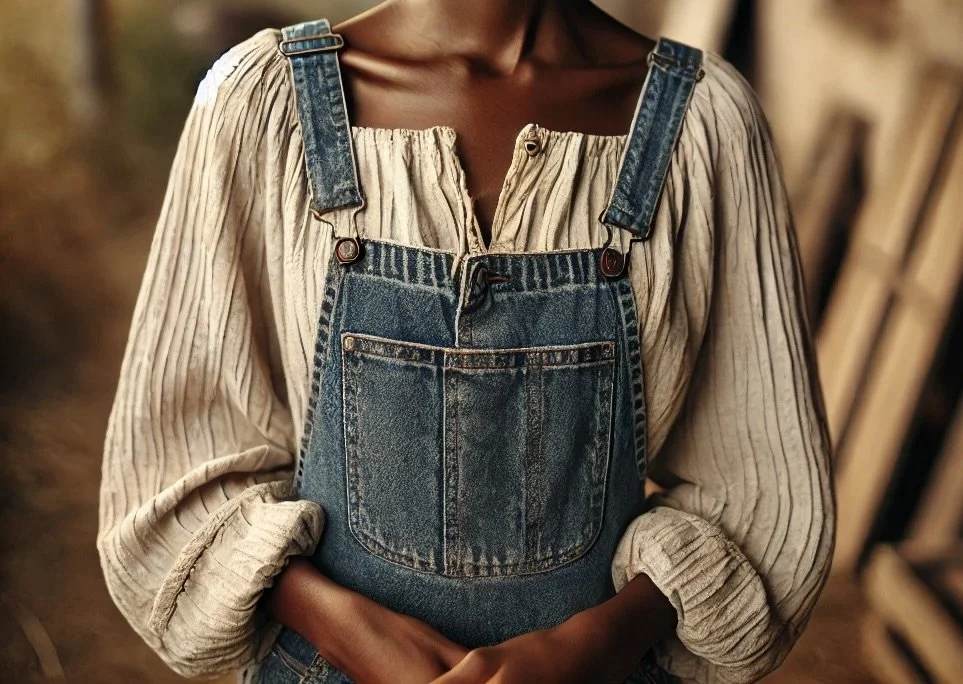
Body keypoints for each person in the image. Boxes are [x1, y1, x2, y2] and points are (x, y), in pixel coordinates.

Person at [97, 1, 835, 683]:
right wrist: (347, 626)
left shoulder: (704, 121)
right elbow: (175, 478)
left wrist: (594, 642)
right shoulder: (264, 103)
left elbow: (763, 496)